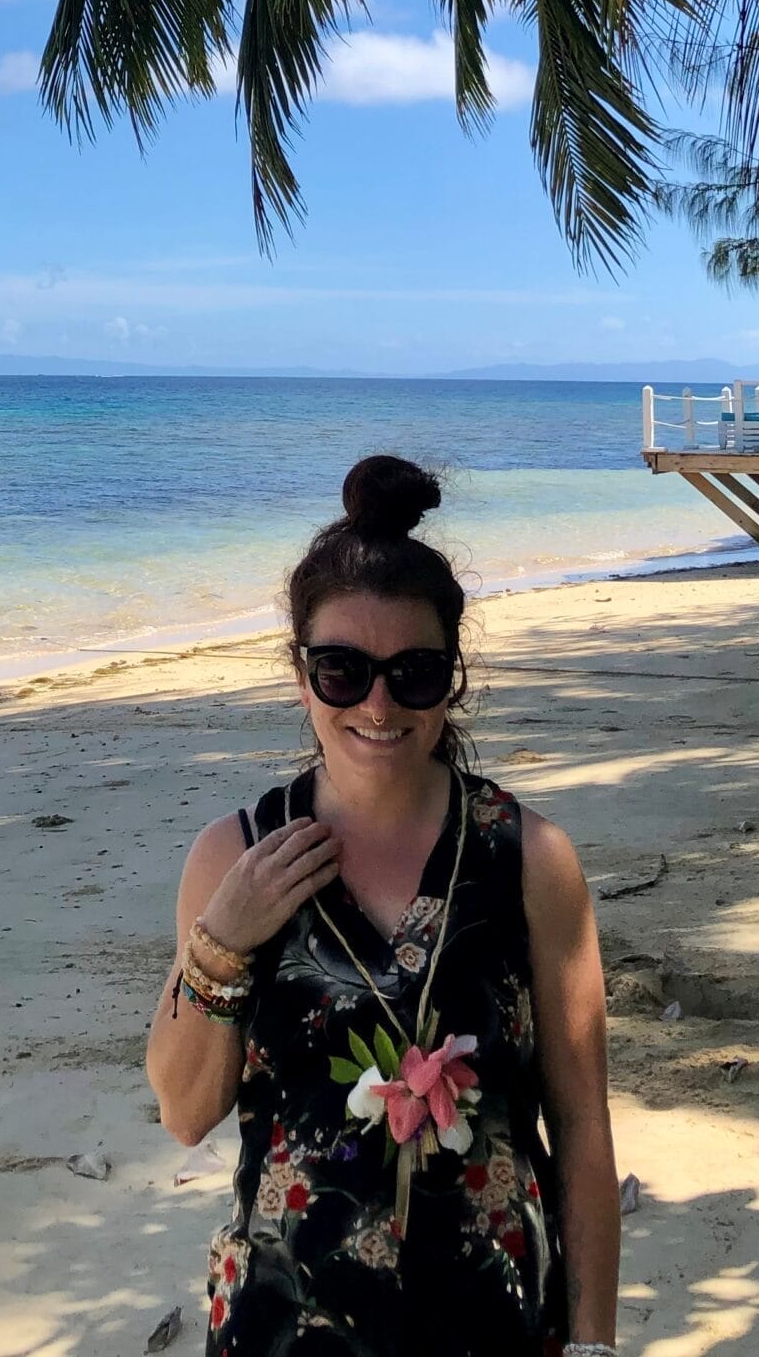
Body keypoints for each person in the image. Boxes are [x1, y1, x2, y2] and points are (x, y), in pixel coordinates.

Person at [147, 454, 621, 1356]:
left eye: (414, 673)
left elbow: (583, 1128)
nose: (377, 703)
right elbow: (184, 1111)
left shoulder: (529, 859)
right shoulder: (235, 856)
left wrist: (594, 1344)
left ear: (453, 679)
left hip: (495, 1324)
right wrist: (221, 941)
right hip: (286, 1327)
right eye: (342, 670)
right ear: (301, 676)